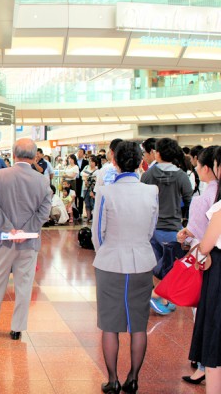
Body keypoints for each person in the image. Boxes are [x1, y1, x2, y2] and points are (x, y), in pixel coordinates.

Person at [92, 141, 159, 394]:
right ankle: (133, 378)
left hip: (111, 262)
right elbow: (151, 228)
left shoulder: (106, 192)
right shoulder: (151, 191)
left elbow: (98, 234)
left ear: (115, 162)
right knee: (138, 324)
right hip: (142, 261)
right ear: (140, 162)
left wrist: (108, 253)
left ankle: (113, 380)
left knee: (110, 324)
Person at [0, 138, 51, 341]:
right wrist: (24, 231)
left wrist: (10, 230)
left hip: (2, 240)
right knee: (24, 285)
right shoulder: (42, 180)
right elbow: (44, 212)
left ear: (14, 155)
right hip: (29, 242)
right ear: (35, 157)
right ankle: (17, 329)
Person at [177, 146, 218, 385]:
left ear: (205, 168)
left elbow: (196, 236)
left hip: (205, 260)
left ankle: (203, 365)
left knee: (204, 315)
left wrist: (184, 237)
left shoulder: (203, 199)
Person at [141, 137, 193, 316]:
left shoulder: (148, 174)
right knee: (171, 267)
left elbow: (141, 199)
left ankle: (160, 297)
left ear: (159, 153)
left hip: (152, 227)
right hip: (173, 229)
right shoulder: (181, 176)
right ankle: (163, 298)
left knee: (154, 265)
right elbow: (189, 199)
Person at [189, 146, 221, 394]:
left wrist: (195, 252)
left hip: (218, 277)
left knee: (214, 342)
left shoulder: (219, 208)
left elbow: (207, 246)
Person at [81, 155, 99, 222]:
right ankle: (88, 217)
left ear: (95, 162)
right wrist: (85, 179)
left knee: (93, 203)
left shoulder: (97, 170)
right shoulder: (86, 168)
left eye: (92, 161)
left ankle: (94, 218)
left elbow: (97, 179)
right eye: (90, 161)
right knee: (87, 203)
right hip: (85, 188)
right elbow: (82, 175)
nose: (91, 163)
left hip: (93, 189)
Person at [76, 148, 89, 218]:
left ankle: (80, 212)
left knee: (81, 197)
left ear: (83, 154)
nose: (79, 153)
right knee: (75, 195)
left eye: (81, 152)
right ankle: (75, 211)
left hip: (83, 180)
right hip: (76, 180)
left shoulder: (86, 162)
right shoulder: (74, 161)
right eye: (78, 152)